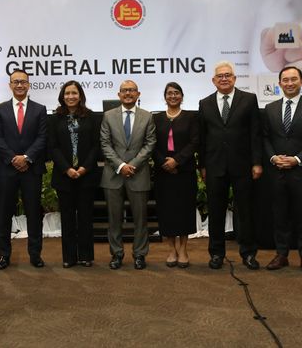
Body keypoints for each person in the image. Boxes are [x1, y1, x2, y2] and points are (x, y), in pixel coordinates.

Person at [198, 61, 262, 270]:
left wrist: (257, 162)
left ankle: (249, 253)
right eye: (220, 76)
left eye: (228, 75)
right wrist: (202, 166)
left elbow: (255, 133)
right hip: (214, 166)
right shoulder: (205, 103)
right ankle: (216, 254)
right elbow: (202, 138)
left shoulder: (249, 99)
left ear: (234, 78)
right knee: (216, 212)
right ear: (213, 80)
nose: (224, 79)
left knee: (246, 212)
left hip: (243, 165)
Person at [262, 66, 302, 273]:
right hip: (277, 172)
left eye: (293, 79)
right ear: (279, 83)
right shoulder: (270, 108)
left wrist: (297, 159)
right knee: (280, 216)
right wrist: (273, 157)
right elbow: (265, 138)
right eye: (285, 80)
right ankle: (281, 255)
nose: (289, 83)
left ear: (301, 82)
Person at [0, 69, 47, 268]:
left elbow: (42, 137)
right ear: (10, 85)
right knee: (4, 214)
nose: (19, 85)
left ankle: (35, 255)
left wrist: (26, 158)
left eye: (23, 82)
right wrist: (12, 158)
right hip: (6, 169)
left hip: (31, 170)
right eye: (15, 82)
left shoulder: (40, 109)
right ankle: (3, 255)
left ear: (29, 84)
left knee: (34, 214)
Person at [100, 80, 156, 270]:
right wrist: (121, 165)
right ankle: (116, 254)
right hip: (113, 174)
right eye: (124, 90)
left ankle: (139, 254)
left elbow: (150, 144)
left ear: (138, 94)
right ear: (119, 95)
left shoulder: (147, 116)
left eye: (132, 90)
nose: (128, 93)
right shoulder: (108, 116)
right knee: (114, 219)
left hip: (138, 173)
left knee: (140, 219)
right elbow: (105, 144)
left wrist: (132, 165)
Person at [48, 80, 99, 268]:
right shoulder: (54, 119)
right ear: (62, 97)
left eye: (74, 93)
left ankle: (86, 256)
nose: (71, 96)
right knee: (67, 218)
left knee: (85, 218)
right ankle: (69, 257)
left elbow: (96, 146)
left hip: (87, 175)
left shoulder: (92, 117)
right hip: (64, 176)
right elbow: (53, 147)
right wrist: (66, 168)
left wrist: (84, 167)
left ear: (80, 96)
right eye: (67, 93)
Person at [152, 82, 199, 268]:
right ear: (165, 97)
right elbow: (151, 144)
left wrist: (177, 161)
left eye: (176, 93)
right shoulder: (156, 118)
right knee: (167, 211)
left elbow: (194, 142)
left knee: (184, 210)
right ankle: (171, 249)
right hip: (163, 172)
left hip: (184, 171)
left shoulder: (191, 117)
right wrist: (164, 163)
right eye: (169, 93)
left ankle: (183, 249)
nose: (173, 96)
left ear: (182, 96)